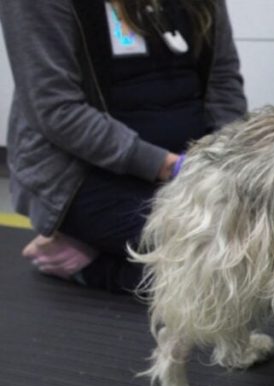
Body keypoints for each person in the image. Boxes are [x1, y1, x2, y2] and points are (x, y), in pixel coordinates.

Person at [1, 0, 246, 292]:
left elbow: (224, 80)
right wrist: (169, 166)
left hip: (193, 166)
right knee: (217, 270)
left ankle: (98, 246)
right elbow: (57, 110)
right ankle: (91, 266)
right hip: (85, 171)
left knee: (256, 252)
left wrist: (222, 156)